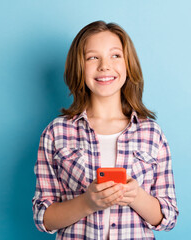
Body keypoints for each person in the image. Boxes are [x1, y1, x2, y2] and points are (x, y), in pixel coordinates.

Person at [32, 20, 178, 240]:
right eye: (92, 57)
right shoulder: (56, 132)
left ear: (128, 65)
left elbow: (167, 217)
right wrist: (87, 203)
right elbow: (43, 217)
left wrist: (136, 196)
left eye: (115, 55)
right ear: (79, 67)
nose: (105, 66)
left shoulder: (152, 133)